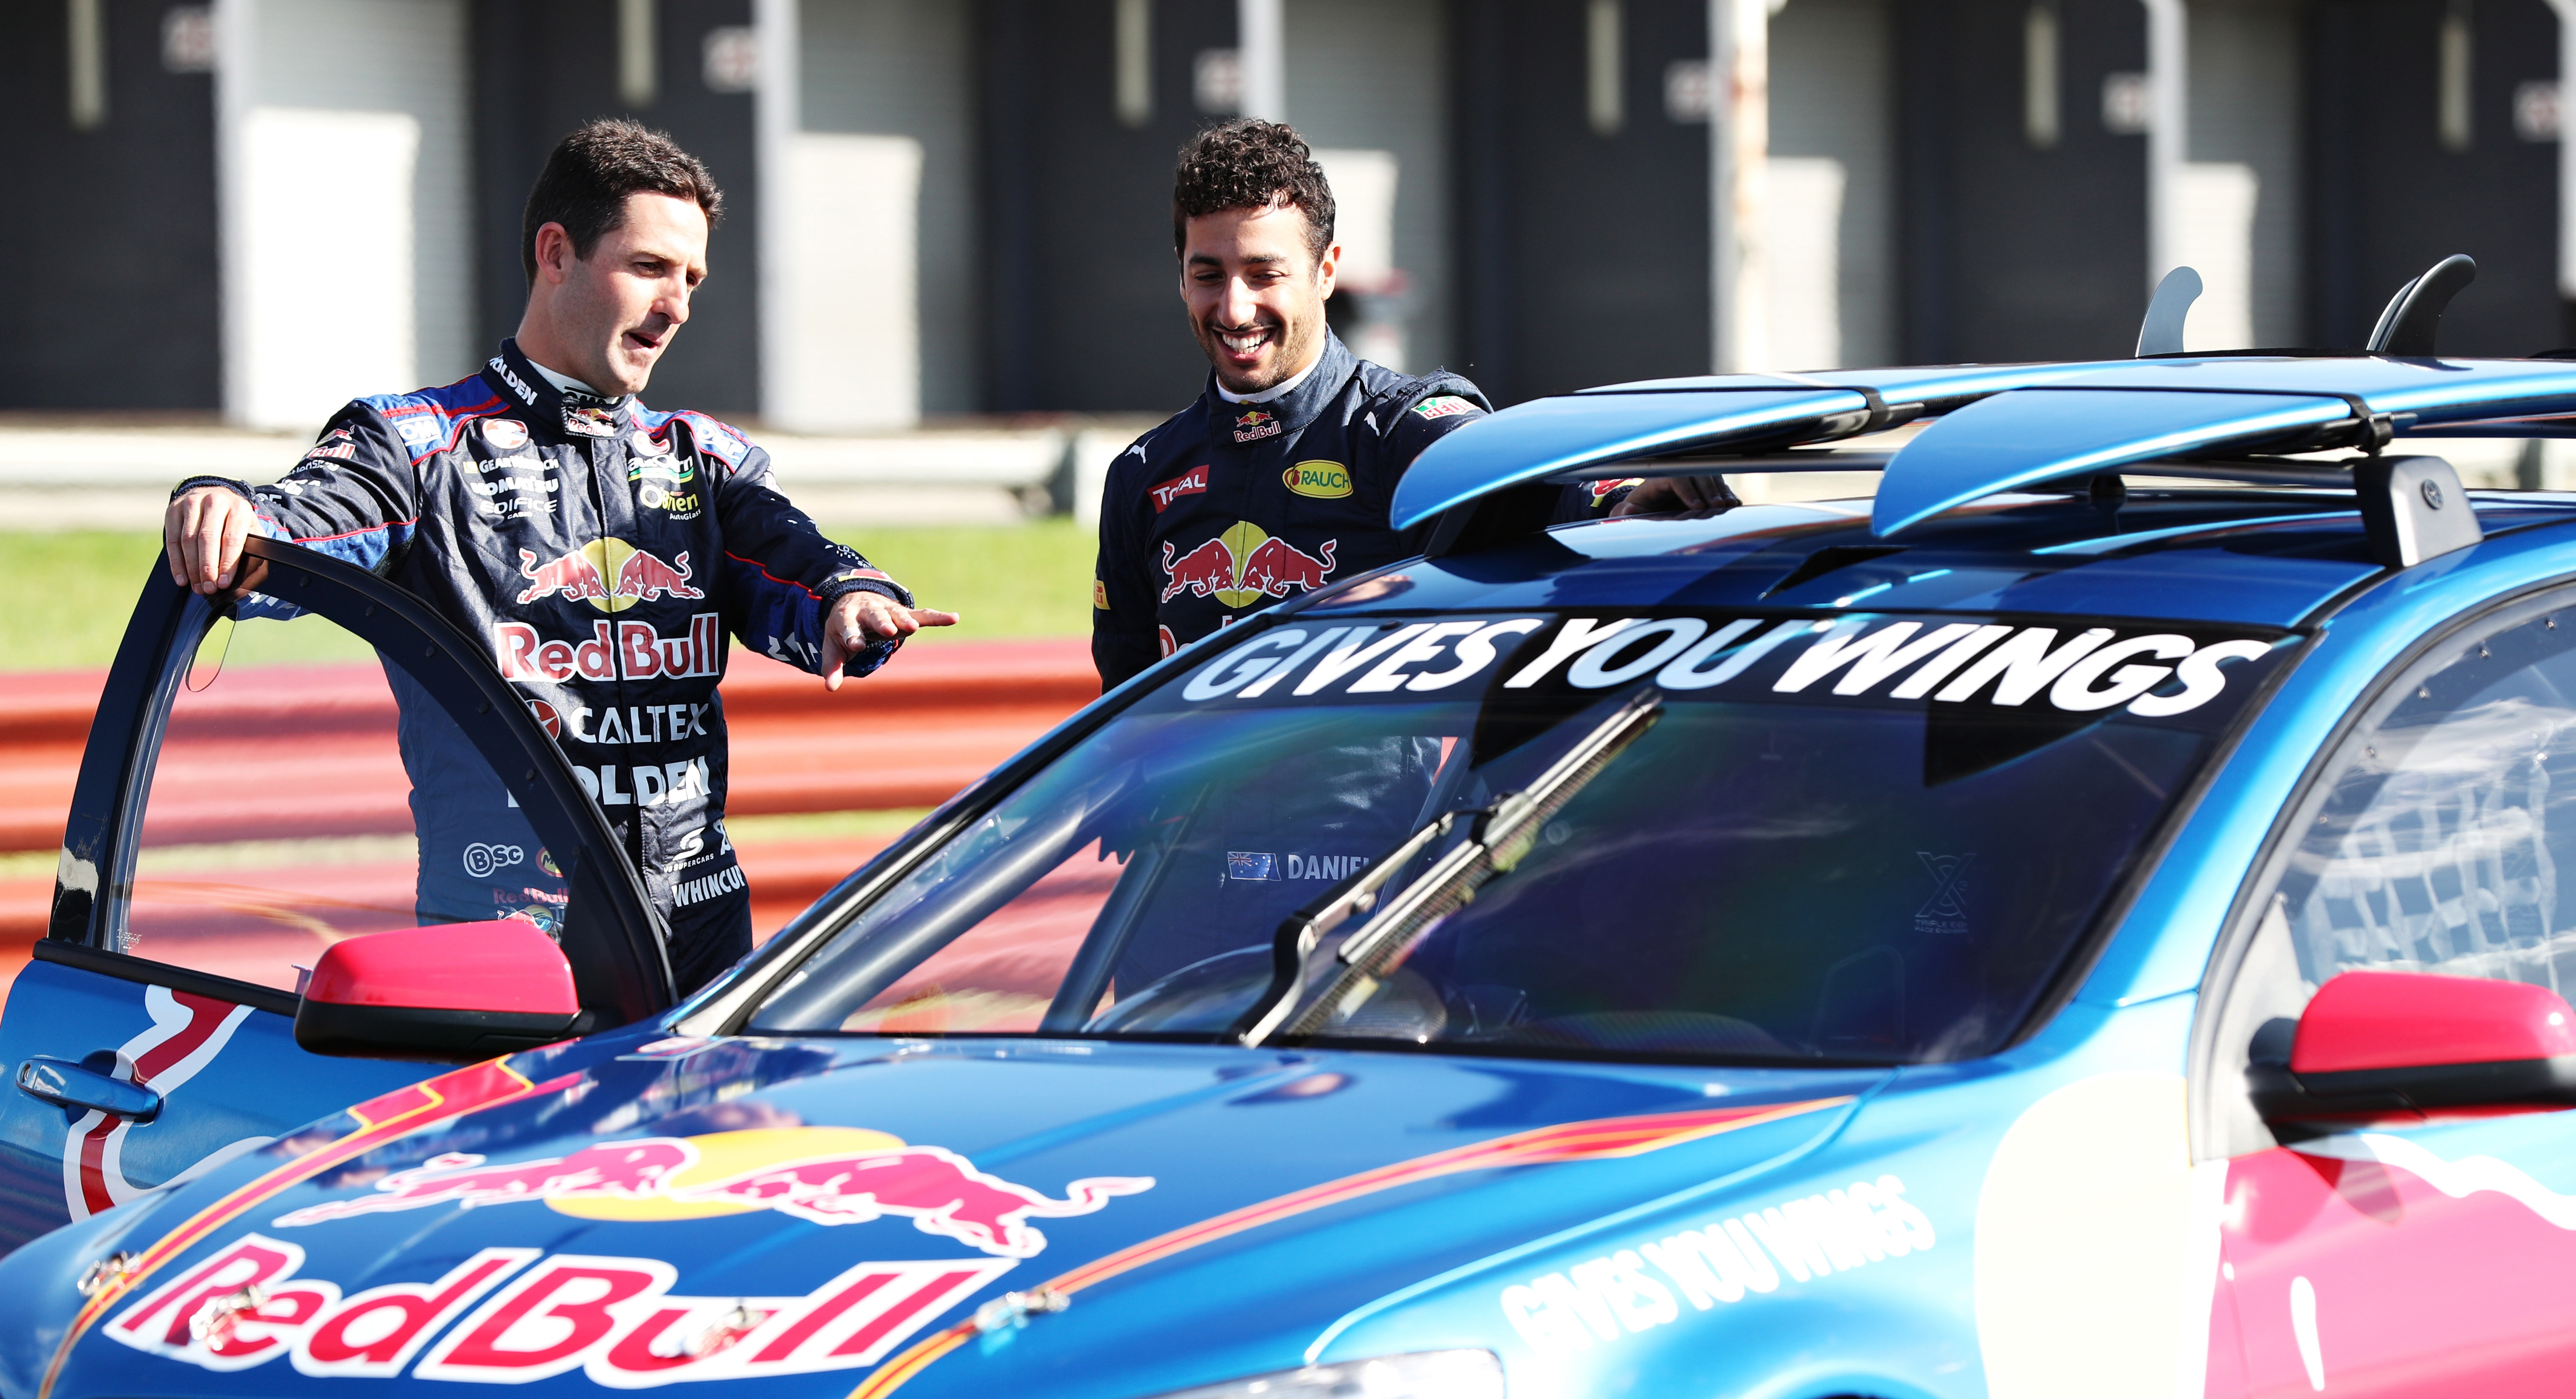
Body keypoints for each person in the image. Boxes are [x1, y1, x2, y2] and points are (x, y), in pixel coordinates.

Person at [163, 119, 951, 994]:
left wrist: (853, 596)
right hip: (506, 937)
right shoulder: (416, 444)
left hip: (698, 928)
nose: (679, 305)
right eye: (650, 268)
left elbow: (796, 560)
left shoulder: (704, 457)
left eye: (692, 279)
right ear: (556, 253)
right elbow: (302, 528)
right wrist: (225, 504)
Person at [1092, 119, 1726, 693]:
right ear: (1181, 275)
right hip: (1193, 824)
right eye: (1209, 275)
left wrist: (1628, 497)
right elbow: (1120, 715)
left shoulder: (1401, 429)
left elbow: (1539, 487)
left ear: (1326, 271)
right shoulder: (1143, 475)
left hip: (1364, 824)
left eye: (1264, 274)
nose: (1234, 309)